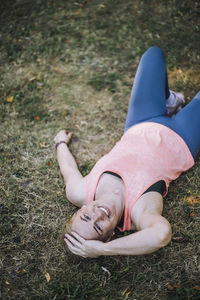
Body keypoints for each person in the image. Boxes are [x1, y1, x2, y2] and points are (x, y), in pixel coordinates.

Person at [54, 46, 200, 258]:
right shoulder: (139, 212)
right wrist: (102, 250)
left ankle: (169, 103)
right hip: (183, 137)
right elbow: (161, 235)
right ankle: (174, 110)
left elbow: (67, 167)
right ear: (111, 235)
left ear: (80, 211)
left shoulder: (79, 191)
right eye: (98, 228)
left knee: (153, 55)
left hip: (140, 121)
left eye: (86, 217)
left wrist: (60, 143)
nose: (98, 215)